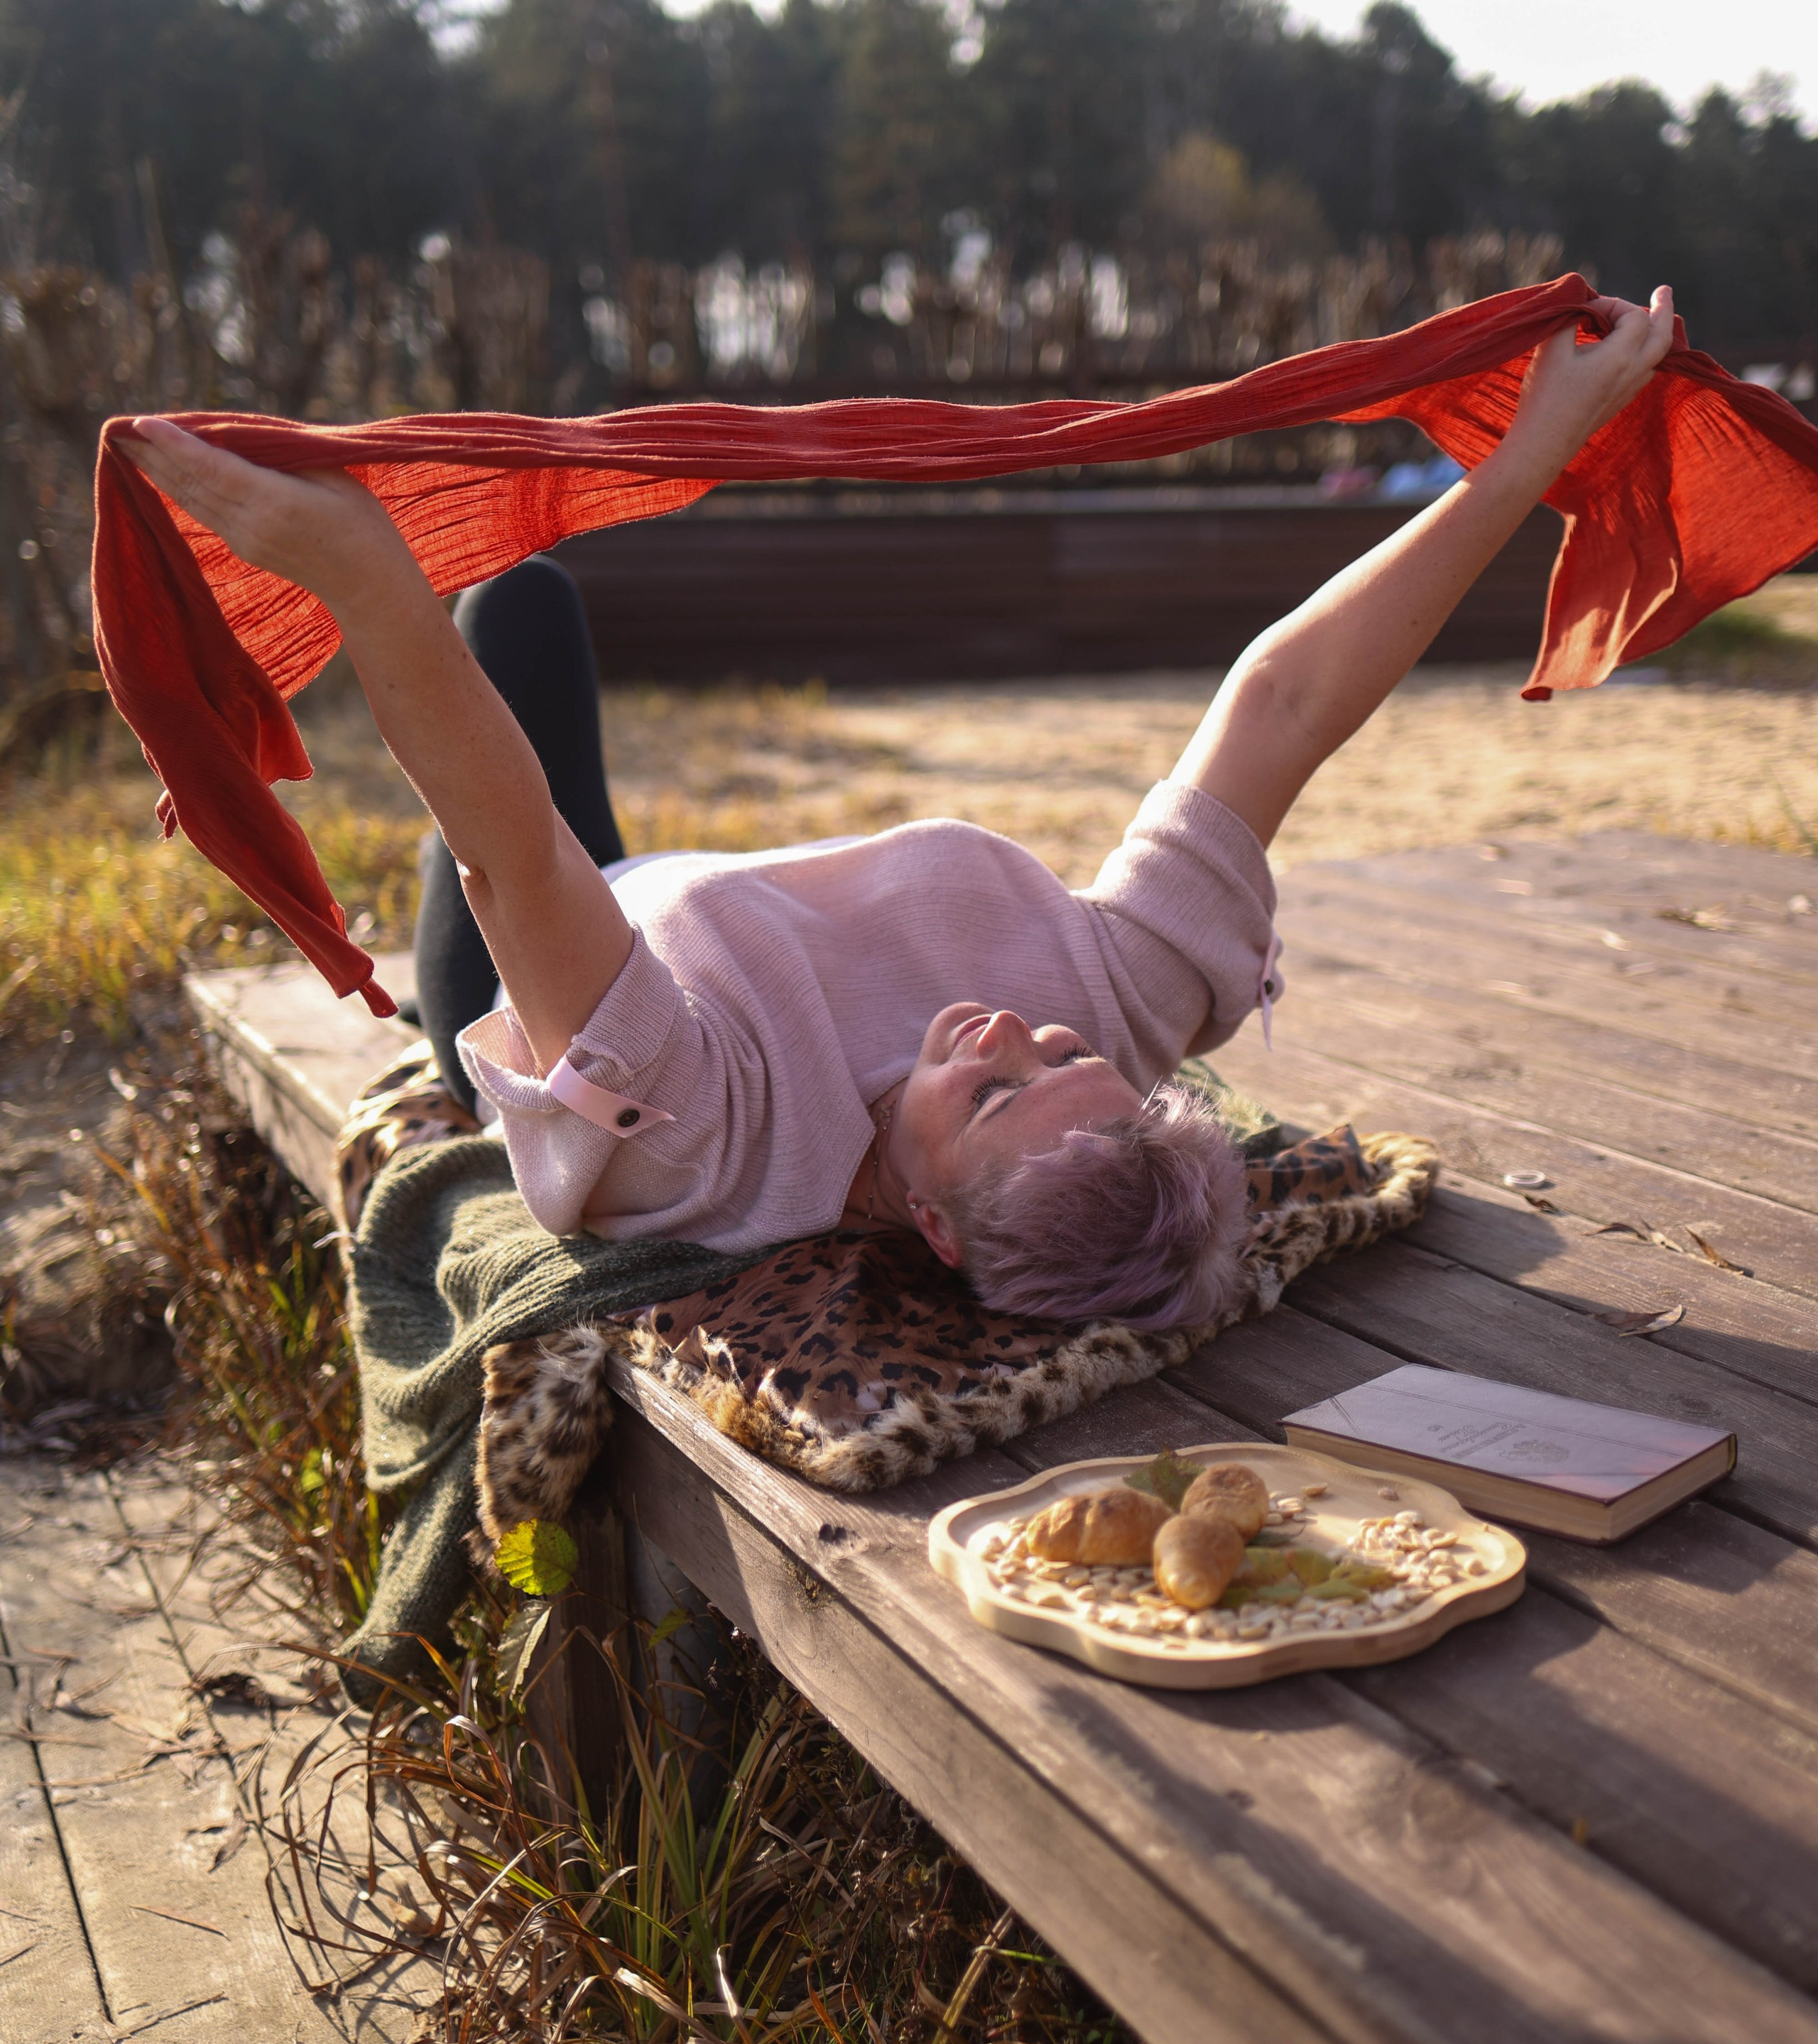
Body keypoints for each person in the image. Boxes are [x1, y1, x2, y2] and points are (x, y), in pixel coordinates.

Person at [121, 287, 1677, 1328]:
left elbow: (508, 840)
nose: (1011, 1036)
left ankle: (447, 988)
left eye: (990, 1100)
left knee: (502, 616)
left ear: (928, 1225)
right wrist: (1539, 444)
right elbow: (1280, 706)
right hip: (682, 898)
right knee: (513, 619)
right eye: (1064, 1061)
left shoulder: (716, 1142)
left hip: (560, 936)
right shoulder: (1125, 1006)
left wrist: (367, 585)